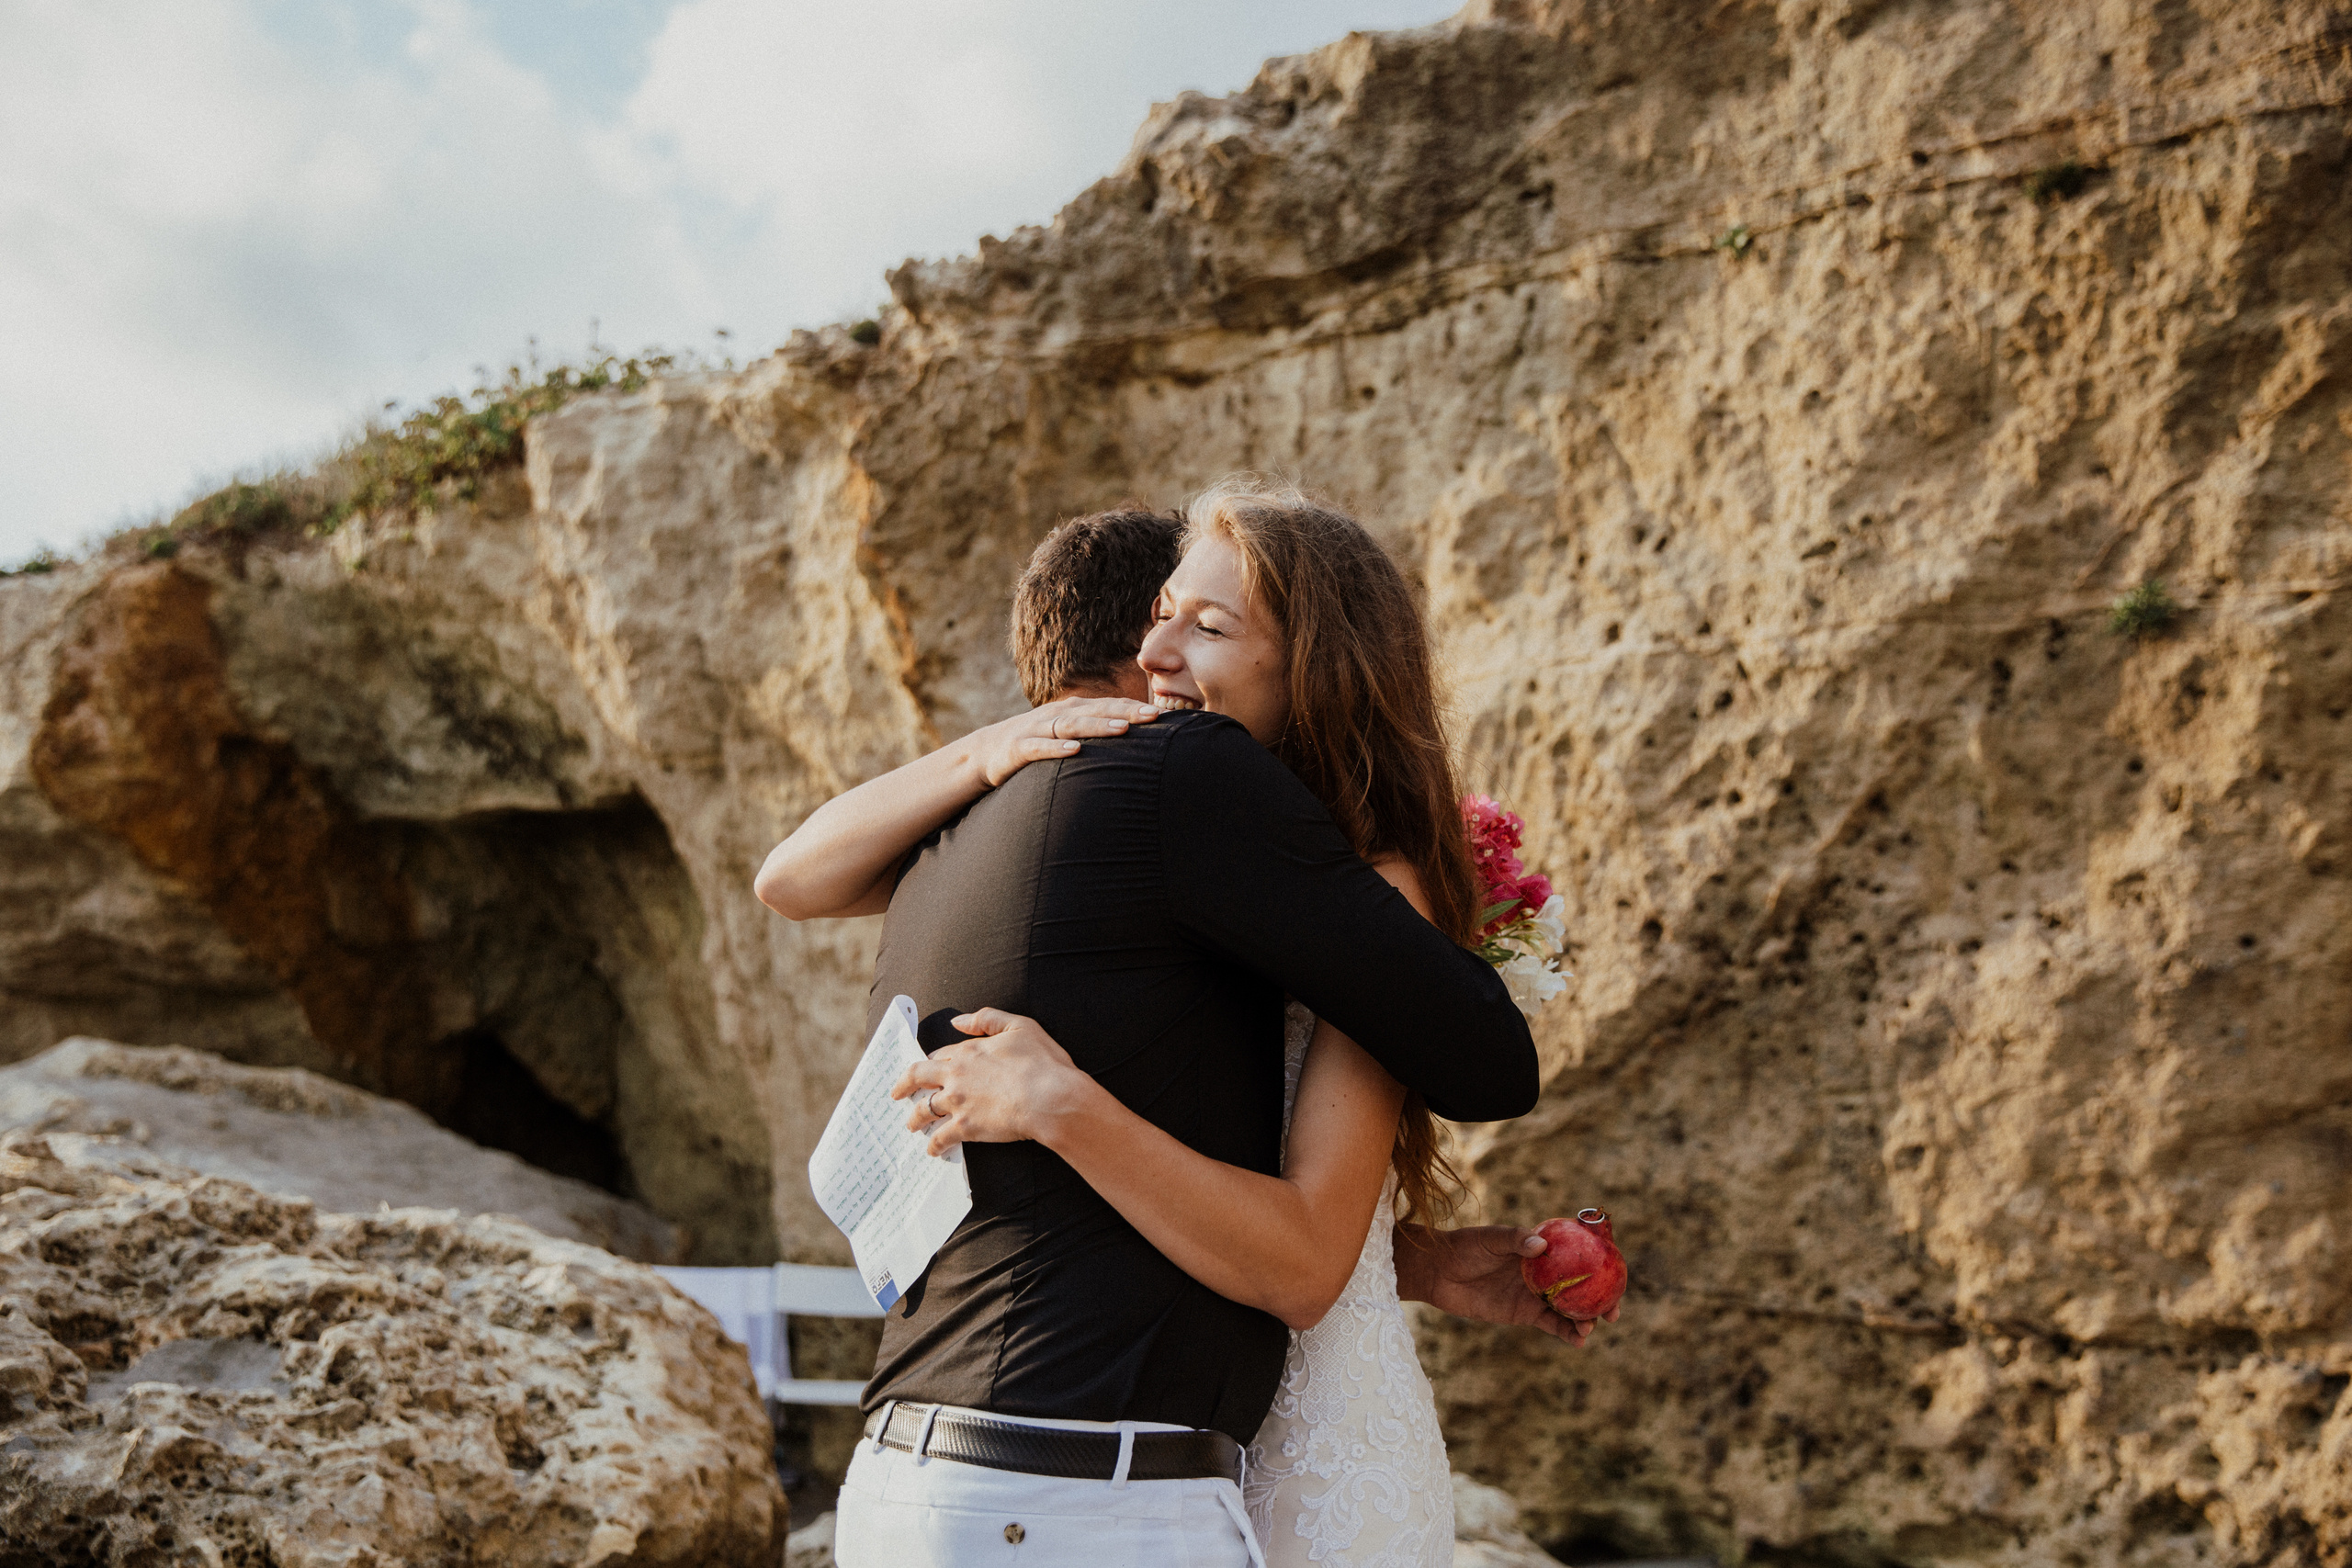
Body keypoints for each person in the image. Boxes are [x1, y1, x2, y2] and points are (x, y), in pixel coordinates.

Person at [753, 495, 1562, 1568]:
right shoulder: (1191, 773)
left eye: (1206, 626)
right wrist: (1065, 1106)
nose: (1158, 654)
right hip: (1075, 1494)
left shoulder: (961, 833)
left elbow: (789, 879)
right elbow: (1489, 1065)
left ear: (1317, 663)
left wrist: (1398, 1260)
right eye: (1160, 617)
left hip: (918, 1477)